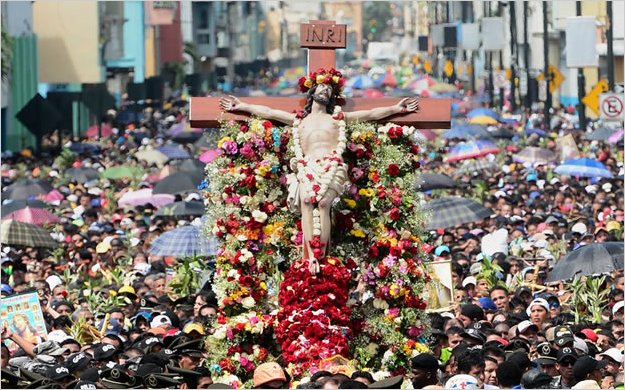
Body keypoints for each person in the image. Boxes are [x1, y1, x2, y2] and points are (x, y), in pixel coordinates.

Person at [219, 69, 418, 273]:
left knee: (322, 203)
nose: (325, 91)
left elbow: (370, 114)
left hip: (332, 167)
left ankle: (319, 257)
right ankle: (310, 257)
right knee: (306, 201)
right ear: (312, 92)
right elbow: (269, 112)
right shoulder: (298, 120)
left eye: (329, 90)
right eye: (322, 87)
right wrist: (242, 106)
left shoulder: (338, 118)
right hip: (307, 166)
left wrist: (396, 108)